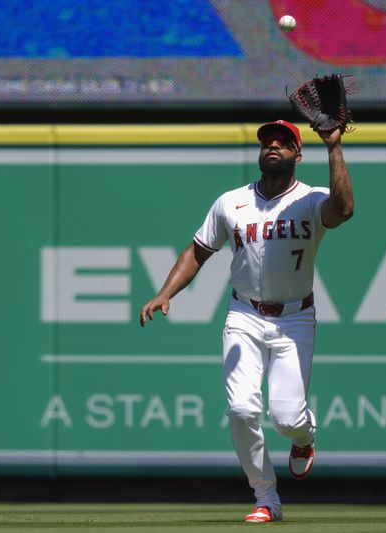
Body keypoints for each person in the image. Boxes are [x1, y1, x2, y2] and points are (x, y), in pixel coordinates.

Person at [139, 120, 353, 523]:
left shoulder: (309, 200)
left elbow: (344, 210)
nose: (273, 145)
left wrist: (334, 148)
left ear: (297, 154)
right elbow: (197, 251)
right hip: (244, 315)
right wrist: (166, 292)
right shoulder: (231, 202)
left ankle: (304, 438)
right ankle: (266, 497)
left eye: (284, 142)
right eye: (267, 141)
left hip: (294, 319)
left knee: (287, 418)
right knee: (240, 409)